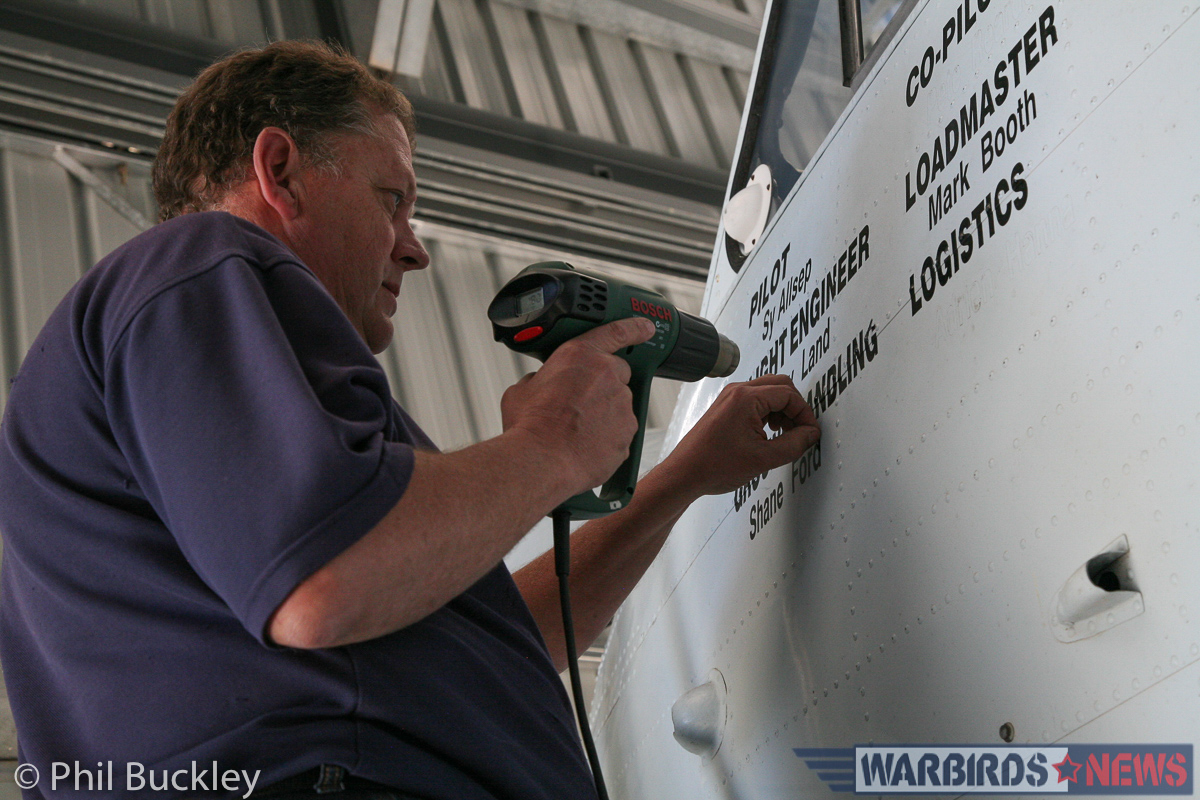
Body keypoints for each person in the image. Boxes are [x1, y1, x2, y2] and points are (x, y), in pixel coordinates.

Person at [0, 41, 819, 799]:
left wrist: (682, 478)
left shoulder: (250, 443)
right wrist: (550, 443)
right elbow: (323, 581)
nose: (414, 247)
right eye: (392, 198)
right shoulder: (196, 265)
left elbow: (499, 645)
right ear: (279, 170)